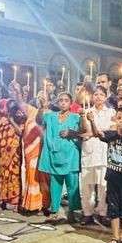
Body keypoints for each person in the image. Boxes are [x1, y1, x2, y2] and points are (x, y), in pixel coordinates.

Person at [85, 107, 122, 243]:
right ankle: (115, 237)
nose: (121, 120)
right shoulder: (111, 135)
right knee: (113, 208)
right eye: (119, 117)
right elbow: (97, 134)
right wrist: (92, 121)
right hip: (112, 178)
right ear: (115, 119)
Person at [37, 92, 83, 223]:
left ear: (70, 103)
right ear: (57, 103)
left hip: (71, 156)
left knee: (73, 186)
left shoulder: (76, 117)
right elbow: (39, 119)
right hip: (54, 155)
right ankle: (55, 210)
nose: (63, 102)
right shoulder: (51, 116)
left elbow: (83, 132)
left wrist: (71, 132)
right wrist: (42, 106)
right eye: (60, 100)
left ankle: (73, 212)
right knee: (55, 185)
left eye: (66, 100)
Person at [80, 87, 115, 225]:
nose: (98, 97)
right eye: (96, 94)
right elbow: (84, 131)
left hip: (104, 152)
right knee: (86, 186)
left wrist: (93, 132)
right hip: (89, 153)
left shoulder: (111, 112)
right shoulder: (87, 112)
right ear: (92, 97)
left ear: (106, 97)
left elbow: (111, 131)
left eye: (101, 94)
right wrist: (85, 120)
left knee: (103, 186)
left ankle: (102, 213)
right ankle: (87, 213)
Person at [19, 84, 51, 215]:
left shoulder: (51, 113)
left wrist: (43, 107)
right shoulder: (31, 110)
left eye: (44, 96)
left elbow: (41, 121)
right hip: (29, 151)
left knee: (43, 177)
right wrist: (18, 91)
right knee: (31, 176)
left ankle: (44, 204)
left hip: (42, 149)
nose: (41, 98)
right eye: (39, 96)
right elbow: (19, 102)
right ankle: (31, 204)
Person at [0, 84, 25, 211]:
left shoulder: (20, 111)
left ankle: (15, 201)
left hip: (13, 148)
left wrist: (11, 120)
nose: (11, 92)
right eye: (10, 89)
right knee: (2, 173)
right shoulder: (3, 108)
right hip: (1, 147)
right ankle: (3, 201)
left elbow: (20, 131)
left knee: (13, 174)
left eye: (14, 90)